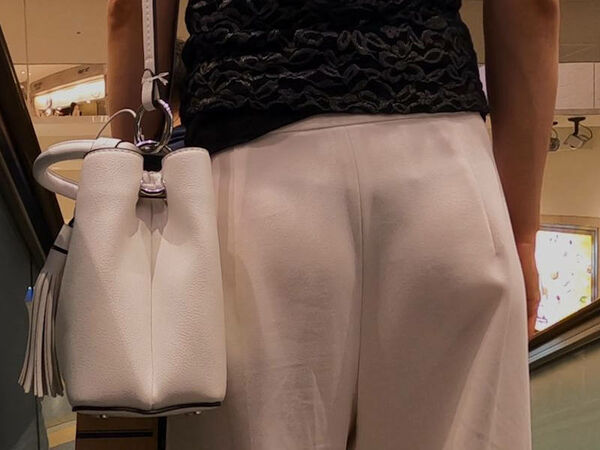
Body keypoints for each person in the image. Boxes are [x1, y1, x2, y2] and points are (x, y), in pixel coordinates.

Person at [106, 0, 559, 448]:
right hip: (445, 172)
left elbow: (131, 12)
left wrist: (133, 201)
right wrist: (521, 235)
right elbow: (532, 10)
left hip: (253, 173)